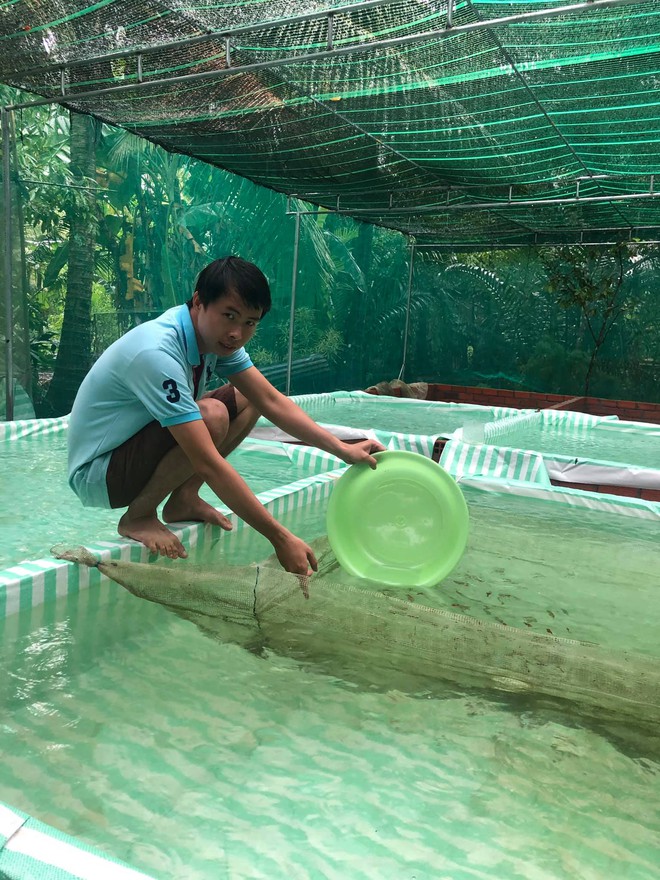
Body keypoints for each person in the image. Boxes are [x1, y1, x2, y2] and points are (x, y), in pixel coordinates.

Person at [67, 256, 385, 577]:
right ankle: (139, 515)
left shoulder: (212, 340)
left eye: (250, 322)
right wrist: (280, 537)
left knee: (249, 397)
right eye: (229, 316)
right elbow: (207, 460)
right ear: (199, 302)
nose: (236, 333)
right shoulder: (158, 353)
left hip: (128, 454)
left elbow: (272, 400)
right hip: (99, 474)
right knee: (212, 415)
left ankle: (184, 498)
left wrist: (343, 449)